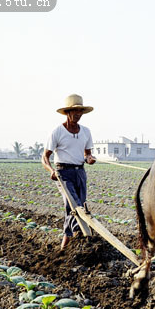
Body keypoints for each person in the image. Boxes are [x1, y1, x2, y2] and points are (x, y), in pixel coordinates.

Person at [42, 94, 97, 250]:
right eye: (75, 112)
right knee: (74, 205)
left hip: (80, 172)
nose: (78, 115)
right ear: (67, 113)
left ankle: (65, 246)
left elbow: (87, 154)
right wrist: (51, 170)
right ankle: (79, 233)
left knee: (77, 206)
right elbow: (45, 156)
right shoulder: (57, 131)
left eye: (80, 111)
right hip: (63, 173)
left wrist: (89, 158)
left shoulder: (86, 131)